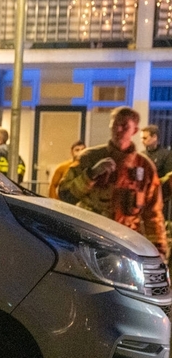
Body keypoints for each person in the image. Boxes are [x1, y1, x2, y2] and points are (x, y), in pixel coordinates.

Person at [59, 107, 168, 258]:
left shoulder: (145, 167)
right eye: (115, 124)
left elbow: (153, 215)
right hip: (90, 244)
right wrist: (91, 174)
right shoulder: (90, 157)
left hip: (127, 247)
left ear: (134, 130)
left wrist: (159, 252)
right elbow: (65, 195)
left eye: (124, 126)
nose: (118, 129)